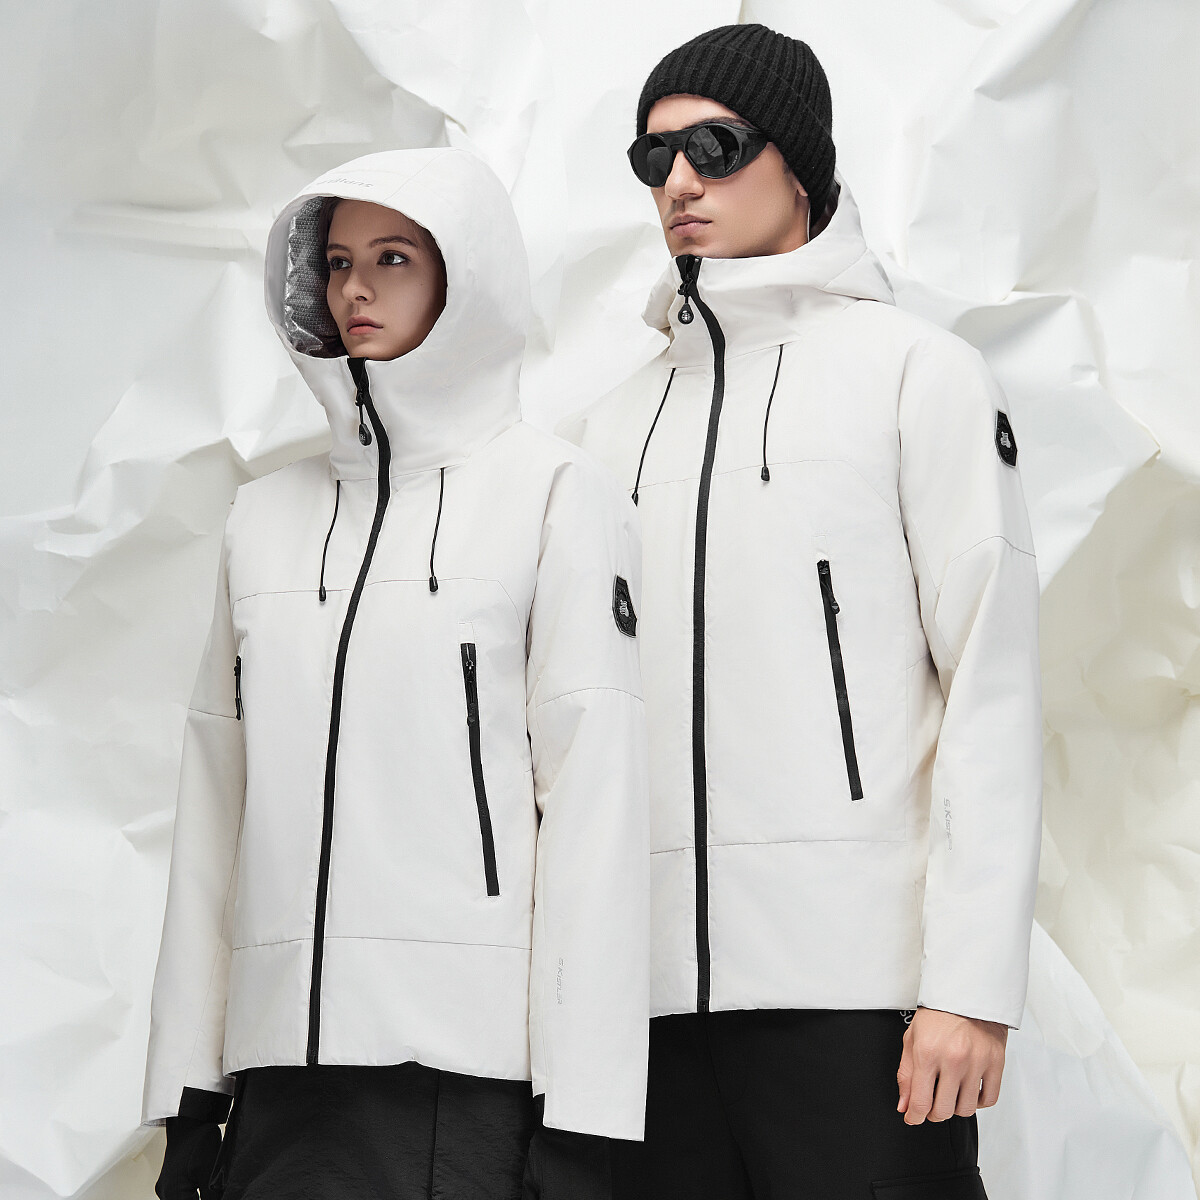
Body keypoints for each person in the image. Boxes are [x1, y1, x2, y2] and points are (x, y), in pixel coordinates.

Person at [560, 23, 1042, 1200]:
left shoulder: (915, 373)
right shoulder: (614, 424)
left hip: (860, 997)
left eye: (716, 147)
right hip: (649, 1012)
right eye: (655, 157)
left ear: (800, 163)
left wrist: (971, 988)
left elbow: (994, 681)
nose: (680, 182)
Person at [142, 146, 650, 1200]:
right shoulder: (263, 518)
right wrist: (188, 1091)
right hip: (278, 1080)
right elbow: (217, 808)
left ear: (467, 277)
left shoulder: (554, 495)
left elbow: (595, 810)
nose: (355, 290)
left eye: (393, 258)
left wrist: (586, 1120)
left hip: (462, 1085)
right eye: (336, 262)